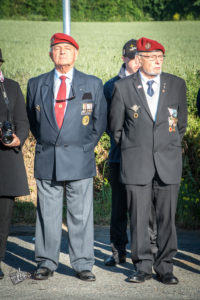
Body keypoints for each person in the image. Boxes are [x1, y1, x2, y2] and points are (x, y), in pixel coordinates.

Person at [26, 33, 107, 281]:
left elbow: (99, 122)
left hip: (79, 157)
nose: (62, 52)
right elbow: (33, 121)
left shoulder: (92, 83)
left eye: (67, 48)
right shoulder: (36, 84)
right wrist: (51, 143)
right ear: (50, 54)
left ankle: (82, 263)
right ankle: (46, 262)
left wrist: (83, 147)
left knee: (80, 214)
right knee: (47, 214)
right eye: (57, 48)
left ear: (76, 54)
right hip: (48, 157)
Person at [109, 37, 187, 284]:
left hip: (168, 162)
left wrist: (166, 147)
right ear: (139, 59)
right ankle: (142, 267)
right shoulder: (124, 87)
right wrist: (135, 150)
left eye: (160, 57)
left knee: (167, 219)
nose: (157, 62)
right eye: (152, 57)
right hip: (136, 164)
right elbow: (116, 129)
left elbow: (180, 124)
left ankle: (165, 268)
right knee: (139, 219)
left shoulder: (176, 85)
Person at [104, 39, 140, 266]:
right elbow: (109, 123)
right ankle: (118, 252)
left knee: (142, 209)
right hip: (119, 155)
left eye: (139, 57)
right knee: (118, 208)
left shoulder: (148, 83)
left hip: (143, 157)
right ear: (124, 58)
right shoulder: (110, 86)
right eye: (132, 57)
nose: (136, 62)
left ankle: (143, 253)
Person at [0, 48, 30, 279]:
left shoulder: (11, 87)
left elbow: (21, 119)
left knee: (3, 215)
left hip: (6, 161)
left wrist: (18, 137)